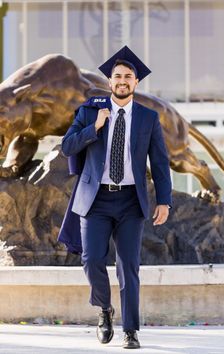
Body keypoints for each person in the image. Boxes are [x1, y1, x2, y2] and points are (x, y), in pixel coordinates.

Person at [59, 45, 172, 349]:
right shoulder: (89, 111)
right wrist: (93, 129)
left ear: (136, 83)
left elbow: (160, 163)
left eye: (128, 76)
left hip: (130, 201)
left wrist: (164, 200)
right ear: (109, 82)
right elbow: (67, 147)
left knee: (129, 266)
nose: (122, 81)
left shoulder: (149, 118)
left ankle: (131, 330)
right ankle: (105, 310)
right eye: (117, 76)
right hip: (95, 200)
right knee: (91, 259)